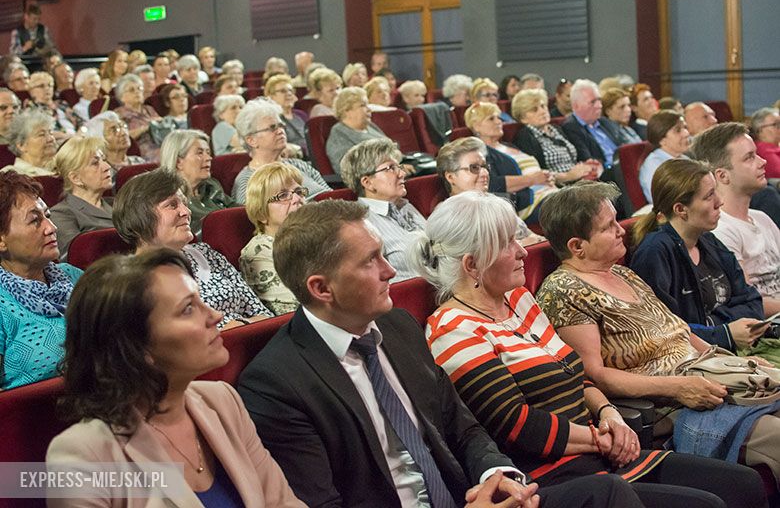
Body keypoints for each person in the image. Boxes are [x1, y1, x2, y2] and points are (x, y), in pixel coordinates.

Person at [237, 197, 652, 508]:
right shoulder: (277, 383)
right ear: (321, 289)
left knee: (620, 495)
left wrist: (498, 475)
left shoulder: (397, 328)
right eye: (370, 262)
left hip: (467, 495)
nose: (389, 271)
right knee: (611, 495)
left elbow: (464, 428)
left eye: (384, 254)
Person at [409, 190, 767, 508]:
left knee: (742, 484)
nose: (523, 251)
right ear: (472, 264)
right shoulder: (453, 330)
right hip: (553, 474)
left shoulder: (518, 300)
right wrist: (601, 438)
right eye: (507, 243)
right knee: (708, 503)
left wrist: (609, 413)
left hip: (599, 450)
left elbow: (574, 373)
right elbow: (517, 426)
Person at [535, 180, 780, 487]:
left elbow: (679, 330)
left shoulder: (623, 273)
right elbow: (594, 375)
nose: (622, 230)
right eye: (609, 226)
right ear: (577, 246)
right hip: (671, 402)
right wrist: (678, 387)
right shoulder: (563, 292)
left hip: (709, 378)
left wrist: (739, 364)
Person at [46, 249, 304, 507]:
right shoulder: (84, 456)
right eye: (188, 309)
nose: (216, 315)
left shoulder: (223, 400)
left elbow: (282, 502)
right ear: (136, 348)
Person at [631, 158, 772, 356]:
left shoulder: (708, 240)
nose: (719, 202)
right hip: (694, 361)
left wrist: (717, 326)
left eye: (716, 191)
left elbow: (753, 302)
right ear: (681, 209)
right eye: (708, 196)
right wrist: (724, 333)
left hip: (736, 349)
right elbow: (662, 330)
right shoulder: (654, 252)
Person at [113, 169, 271, 329]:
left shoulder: (205, 252)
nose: (186, 211)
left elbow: (262, 314)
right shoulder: (134, 281)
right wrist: (232, 329)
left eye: (184, 203)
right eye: (172, 205)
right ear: (140, 217)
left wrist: (239, 326)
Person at [0, 172, 82, 390]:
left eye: (48, 216)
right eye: (35, 220)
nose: (51, 228)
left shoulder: (74, 276)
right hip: (41, 421)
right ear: (1, 240)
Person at [695, 123, 780, 317]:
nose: (762, 162)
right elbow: (750, 303)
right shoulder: (720, 229)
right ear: (723, 175)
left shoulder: (762, 218)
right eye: (749, 158)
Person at [339, 137, 424, 283]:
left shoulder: (406, 206)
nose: (402, 174)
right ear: (368, 182)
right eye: (390, 168)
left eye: (399, 167)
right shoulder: (360, 223)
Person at [435, 137, 544, 245]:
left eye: (485, 166)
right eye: (474, 168)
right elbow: (477, 255)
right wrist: (524, 244)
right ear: (451, 177)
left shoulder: (499, 202)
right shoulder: (448, 215)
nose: (484, 173)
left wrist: (536, 240)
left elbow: (530, 234)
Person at [465, 102, 556, 222]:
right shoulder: (480, 154)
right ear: (476, 126)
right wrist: (532, 179)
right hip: (530, 204)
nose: (499, 122)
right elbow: (492, 184)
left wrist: (547, 177)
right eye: (491, 119)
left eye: (499, 118)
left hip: (550, 193)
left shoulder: (509, 145)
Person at [232, 99, 330, 204]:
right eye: (272, 127)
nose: (280, 131)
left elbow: (330, 196)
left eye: (281, 126)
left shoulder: (299, 165)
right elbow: (253, 217)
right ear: (251, 140)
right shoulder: (248, 181)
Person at [241, 162, 303, 316]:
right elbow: (295, 307)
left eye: (299, 192)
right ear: (261, 213)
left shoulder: (319, 235)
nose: (297, 199)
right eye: (283, 196)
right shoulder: (259, 252)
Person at [511, 89, 598, 184]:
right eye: (534, 110)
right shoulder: (525, 137)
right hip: (558, 187)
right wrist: (568, 176)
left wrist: (585, 167)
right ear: (523, 118)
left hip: (579, 180)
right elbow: (537, 175)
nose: (542, 111)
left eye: (543, 106)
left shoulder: (556, 129)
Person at [159, 129, 234, 239]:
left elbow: (238, 209)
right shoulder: (168, 197)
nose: (209, 158)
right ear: (178, 162)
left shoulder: (211, 186)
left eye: (208, 152)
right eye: (200, 153)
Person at [50, 136, 113, 260]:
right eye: (95, 163)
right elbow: (78, 259)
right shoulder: (61, 214)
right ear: (75, 178)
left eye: (103, 160)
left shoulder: (117, 204)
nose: (107, 166)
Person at [325, 86, 388, 171]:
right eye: (363, 105)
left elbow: (391, 148)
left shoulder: (370, 126)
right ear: (346, 110)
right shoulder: (339, 134)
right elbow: (348, 169)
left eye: (368, 105)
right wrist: (390, 168)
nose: (369, 109)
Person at [638, 111, 691, 203]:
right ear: (662, 140)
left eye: (685, 127)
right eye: (678, 130)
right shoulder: (654, 165)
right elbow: (665, 201)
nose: (686, 133)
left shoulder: (685, 159)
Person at [84, 111, 146, 182]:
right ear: (100, 139)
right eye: (114, 130)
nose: (123, 133)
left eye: (123, 126)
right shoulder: (102, 171)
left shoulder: (139, 161)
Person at [115, 73, 161, 162]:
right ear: (122, 97)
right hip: (141, 150)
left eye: (139, 88)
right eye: (132, 90)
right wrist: (145, 128)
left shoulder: (149, 109)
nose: (137, 92)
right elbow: (120, 137)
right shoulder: (119, 114)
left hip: (159, 143)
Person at [1, 109, 57, 176]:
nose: (50, 139)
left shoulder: (62, 166)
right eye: (41, 135)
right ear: (21, 145)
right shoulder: (11, 175)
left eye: (51, 133)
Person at [264, 74, 306, 156]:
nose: (289, 94)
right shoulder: (270, 120)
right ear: (271, 97)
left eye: (291, 91)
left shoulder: (301, 115)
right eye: (283, 91)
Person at [26, 70, 76, 137]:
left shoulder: (61, 104)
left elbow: (81, 123)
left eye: (50, 85)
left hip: (76, 137)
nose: (47, 88)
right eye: (41, 86)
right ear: (31, 90)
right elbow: (42, 132)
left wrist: (81, 132)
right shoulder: (31, 109)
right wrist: (68, 136)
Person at [751, 107, 780, 178]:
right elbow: (777, 172)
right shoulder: (764, 150)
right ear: (760, 130)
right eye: (776, 124)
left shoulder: (774, 146)